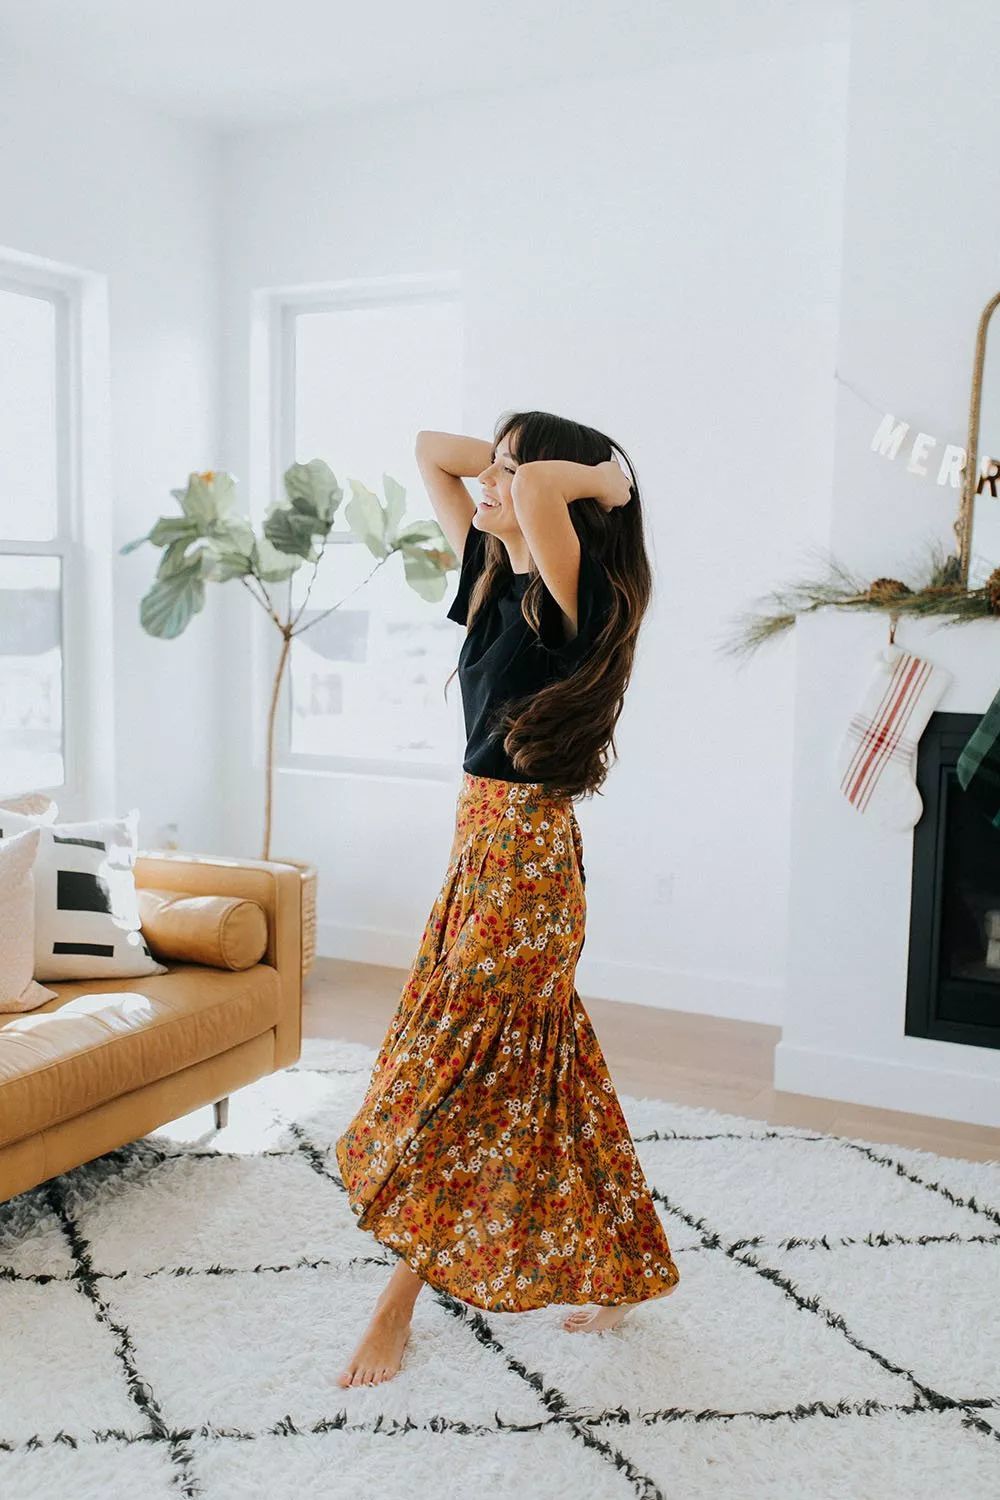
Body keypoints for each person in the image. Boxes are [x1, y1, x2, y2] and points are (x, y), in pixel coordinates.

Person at [334, 410, 680, 1388]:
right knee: (545, 1075)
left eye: (515, 470)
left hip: (526, 866)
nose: (490, 482)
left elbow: (529, 492)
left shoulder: (570, 600)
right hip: (479, 849)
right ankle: (629, 1267)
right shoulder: (493, 581)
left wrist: (604, 482)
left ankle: (396, 1305)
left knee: (469, 1074)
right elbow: (428, 451)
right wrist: (514, 460)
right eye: (496, 465)